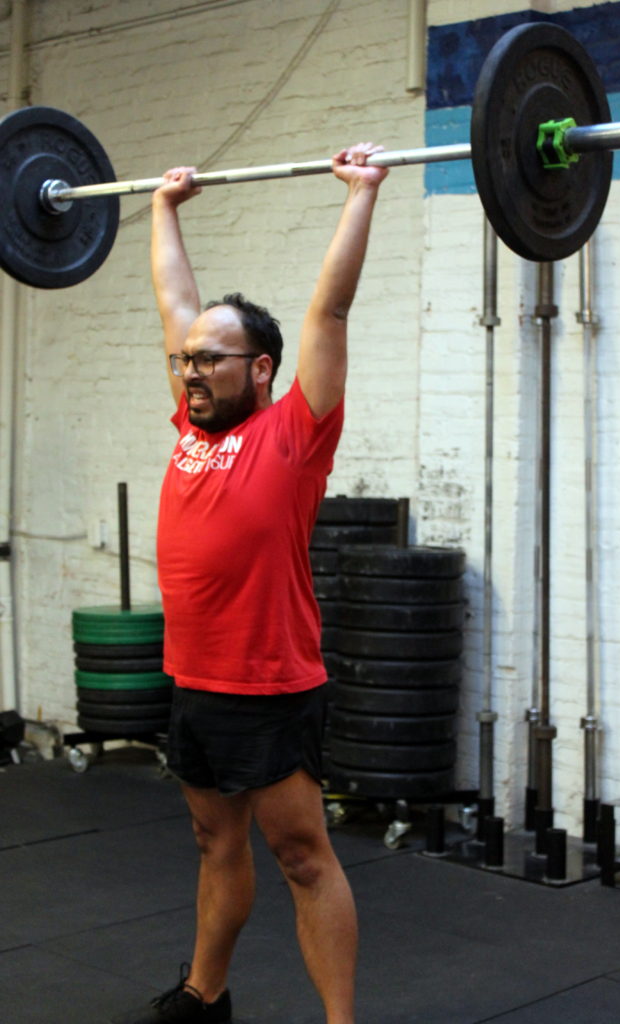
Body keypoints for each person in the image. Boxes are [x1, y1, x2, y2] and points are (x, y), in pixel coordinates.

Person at [114, 142, 388, 1024]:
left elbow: (330, 308)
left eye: (211, 359)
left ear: (261, 369)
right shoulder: (191, 425)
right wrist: (164, 206)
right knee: (213, 839)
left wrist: (361, 192)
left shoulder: (295, 434)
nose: (191, 370)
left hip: (270, 685)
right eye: (186, 360)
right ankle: (206, 994)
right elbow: (175, 301)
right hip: (195, 678)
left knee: (302, 857)